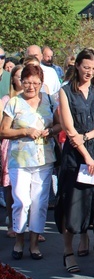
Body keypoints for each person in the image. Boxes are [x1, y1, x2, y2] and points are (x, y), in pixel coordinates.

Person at [55, 48, 94, 277]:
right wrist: (85, 156)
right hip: (75, 157)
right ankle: (68, 252)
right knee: (72, 204)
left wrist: (88, 138)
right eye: (86, 68)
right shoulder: (65, 91)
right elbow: (69, 129)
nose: (90, 72)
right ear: (77, 66)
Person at [0, 63, 62, 260]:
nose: (31, 87)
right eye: (27, 82)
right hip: (20, 160)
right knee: (21, 200)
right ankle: (19, 239)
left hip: (44, 158)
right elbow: (3, 131)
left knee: (39, 202)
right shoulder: (14, 103)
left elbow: (60, 124)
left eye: (36, 83)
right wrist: (24, 131)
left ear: (41, 83)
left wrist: (50, 131)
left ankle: (34, 243)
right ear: (21, 82)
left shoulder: (50, 101)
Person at [1, 65, 24, 238]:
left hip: (30, 149)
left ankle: (29, 226)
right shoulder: (7, 100)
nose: (22, 79)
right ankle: (12, 222)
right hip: (10, 146)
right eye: (18, 76)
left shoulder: (39, 99)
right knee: (10, 186)